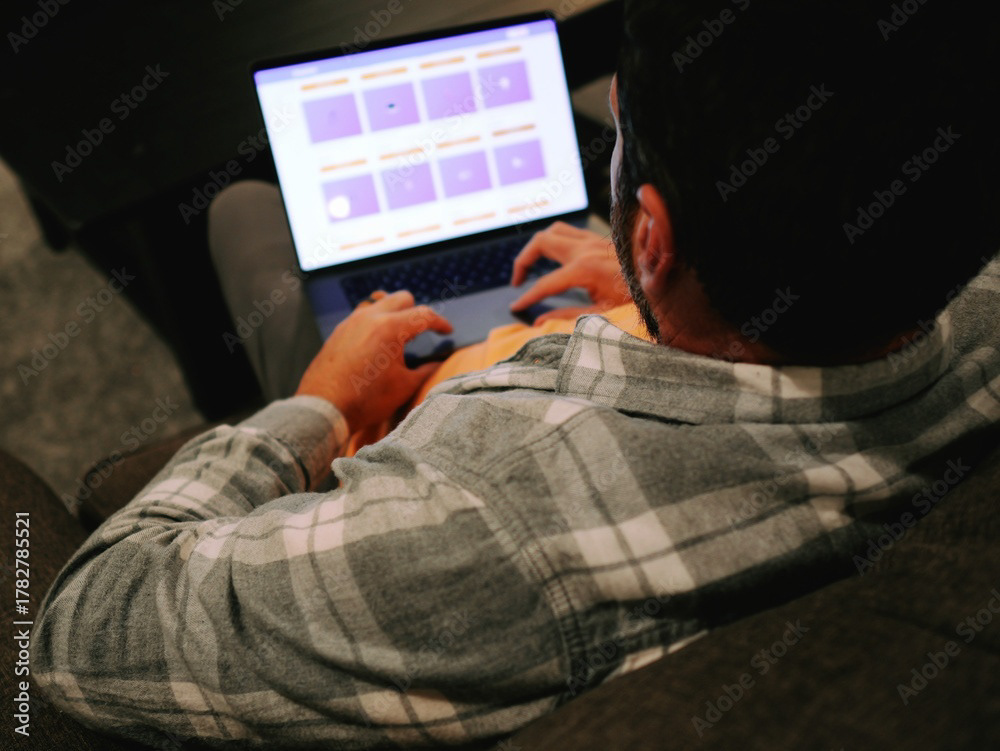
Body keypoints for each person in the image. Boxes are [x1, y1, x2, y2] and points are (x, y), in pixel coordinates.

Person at [31, 1, 999, 748]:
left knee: (243, 213)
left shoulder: (478, 521)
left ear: (652, 234)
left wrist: (321, 402)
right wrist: (666, 288)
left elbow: (85, 625)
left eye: (620, 133)